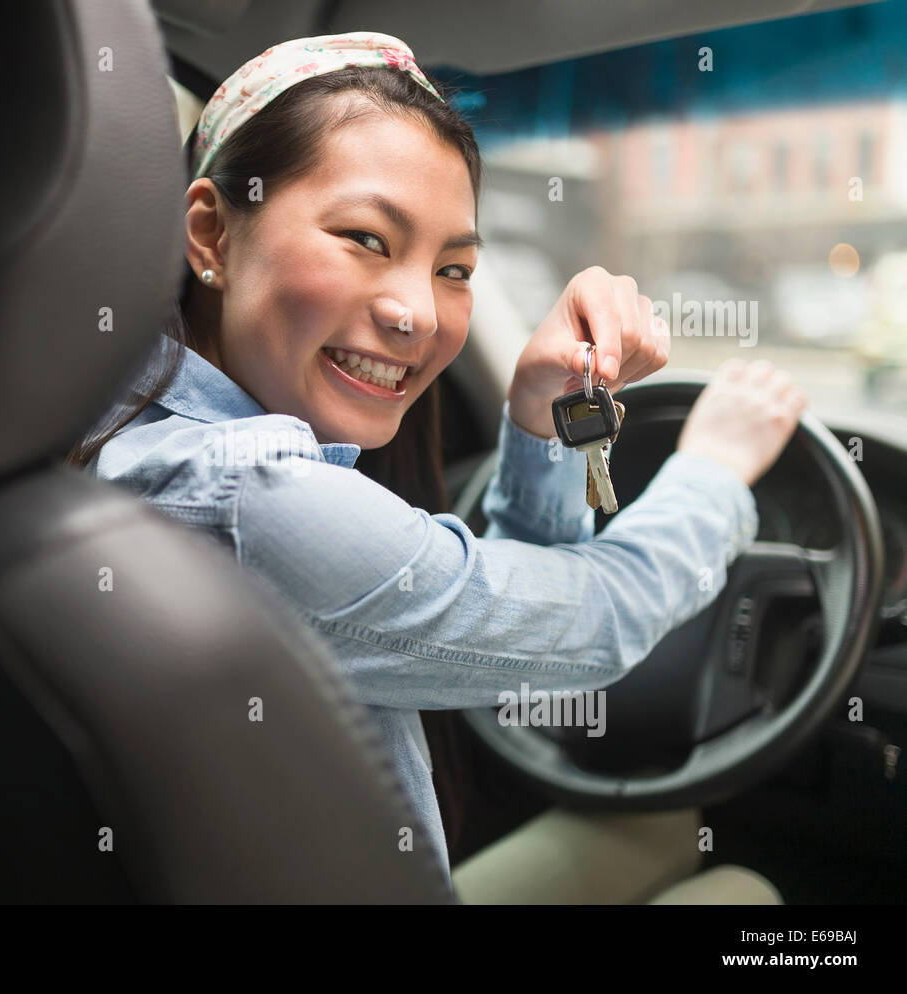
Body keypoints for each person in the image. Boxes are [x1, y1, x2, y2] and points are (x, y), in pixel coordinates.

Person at [68, 32, 805, 901]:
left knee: (649, 825)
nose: (418, 313)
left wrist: (538, 414)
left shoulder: (118, 426)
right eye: (367, 239)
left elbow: (491, 650)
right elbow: (599, 623)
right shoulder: (251, 496)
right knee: (744, 895)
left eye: (454, 268)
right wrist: (714, 470)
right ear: (212, 234)